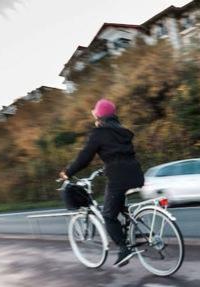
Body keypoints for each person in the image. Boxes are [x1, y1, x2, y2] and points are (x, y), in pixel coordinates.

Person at [59, 99, 144, 267]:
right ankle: (135, 234)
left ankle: (123, 249)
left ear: (99, 116)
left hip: (118, 178)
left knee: (107, 215)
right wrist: (106, 168)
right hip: (136, 174)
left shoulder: (99, 133)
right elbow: (120, 154)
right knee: (117, 206)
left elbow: (84, 157)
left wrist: (67, 172)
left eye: (96, 115)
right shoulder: (123, 131)